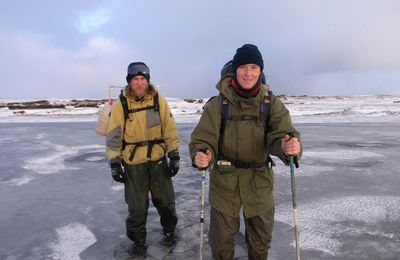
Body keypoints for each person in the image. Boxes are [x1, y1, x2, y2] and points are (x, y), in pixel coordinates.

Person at [189, 44, 302, 259]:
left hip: (259, 182)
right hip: (225, 182)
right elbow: (203, 138)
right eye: (243, 67)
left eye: (253, 67)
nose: (248, 73)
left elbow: (283, 134)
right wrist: (202, 153)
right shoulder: (218, 104)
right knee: (221, 245)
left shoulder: (272, 104)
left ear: (260, 71)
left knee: (260, 245)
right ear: (235, 70)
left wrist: (289, 147)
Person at [106, 61, 180, 254]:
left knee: (166, 202)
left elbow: (169, 128)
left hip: (157, 161)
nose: (139, 83)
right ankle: (138, 242)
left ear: (148, 81)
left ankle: (170, 231)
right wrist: (114, 162)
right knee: (137, 208)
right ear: (129, 82)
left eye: (143, 79)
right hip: (133, 164)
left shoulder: (158, 100)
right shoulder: (121, 104)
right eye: (135, 79)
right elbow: (114, 135)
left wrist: (174, 154)